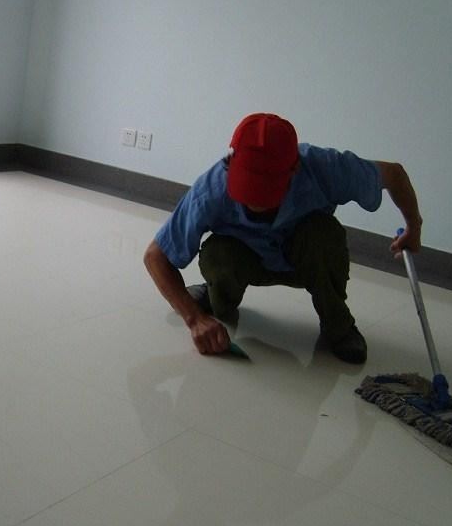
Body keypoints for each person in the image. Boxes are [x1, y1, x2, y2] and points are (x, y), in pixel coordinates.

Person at [143, 113, 422, 364]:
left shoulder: (323, 166)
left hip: (305, 259)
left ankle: (338, 326)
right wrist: (195, 319)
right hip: (246, 258)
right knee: (218, 253)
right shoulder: (212, 189)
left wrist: (413, 227)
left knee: (324, 234)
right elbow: (155, 256)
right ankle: (216, 296)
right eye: (248, 188)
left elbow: (393, 174)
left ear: (295, 168)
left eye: (266, 190)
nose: (255, 202)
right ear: (231, 162)